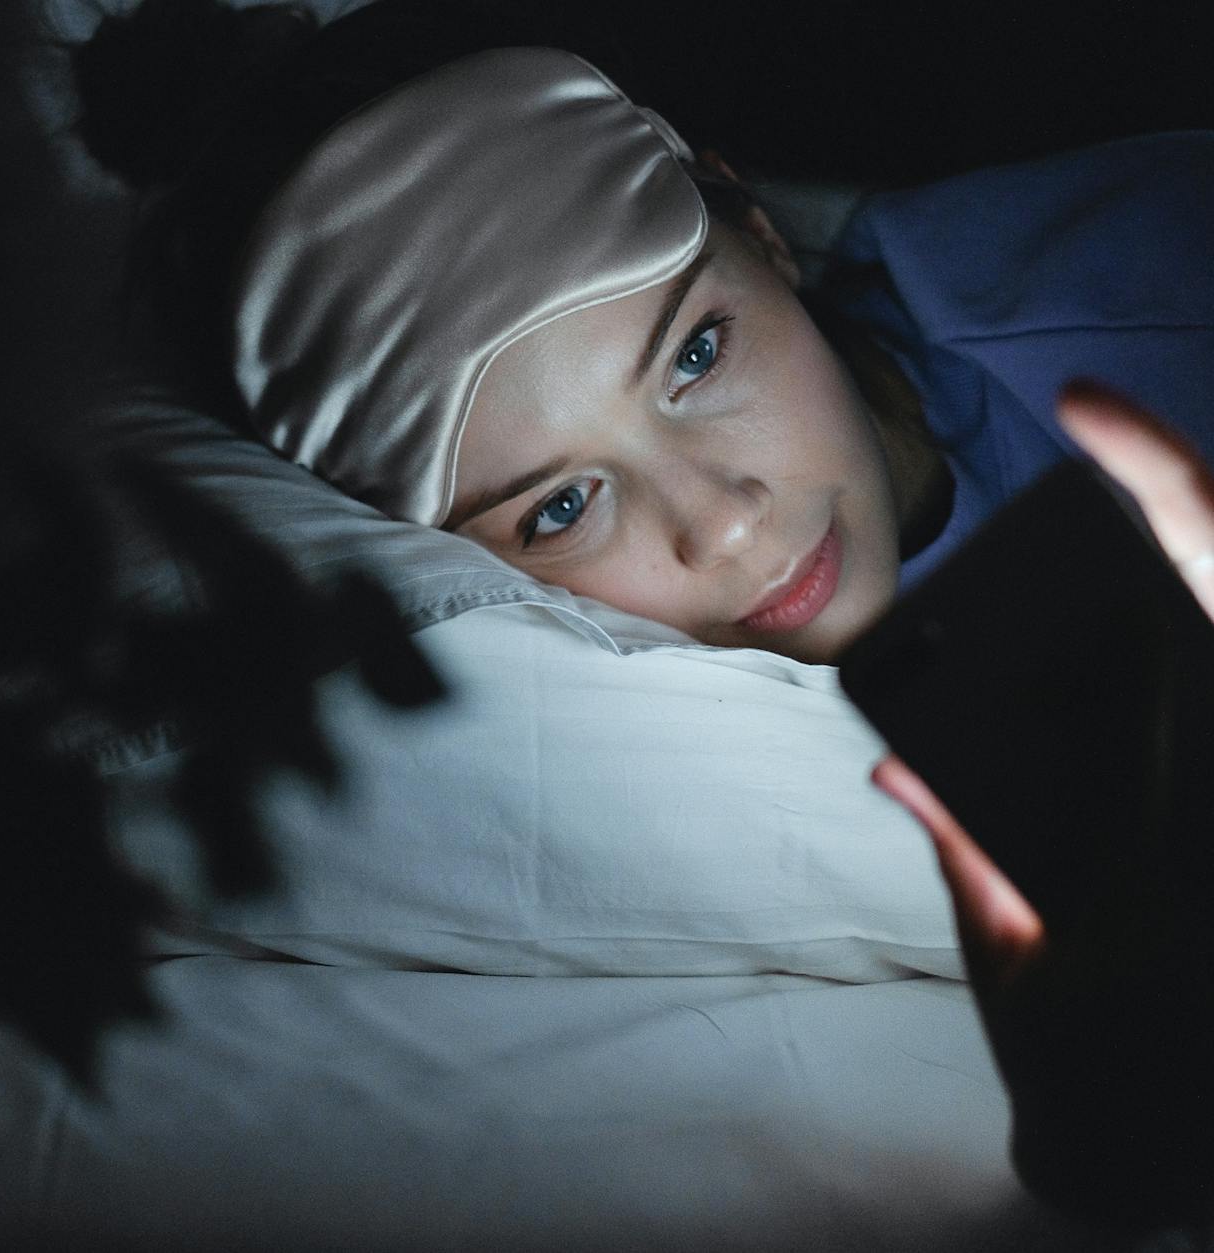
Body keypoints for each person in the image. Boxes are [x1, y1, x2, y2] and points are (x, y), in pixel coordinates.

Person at [74, 0, 1213, 1225]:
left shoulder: (1157, 297)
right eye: (560, 506)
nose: (719, 524)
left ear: (758, 231)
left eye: (694, 354)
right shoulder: (690, 757)